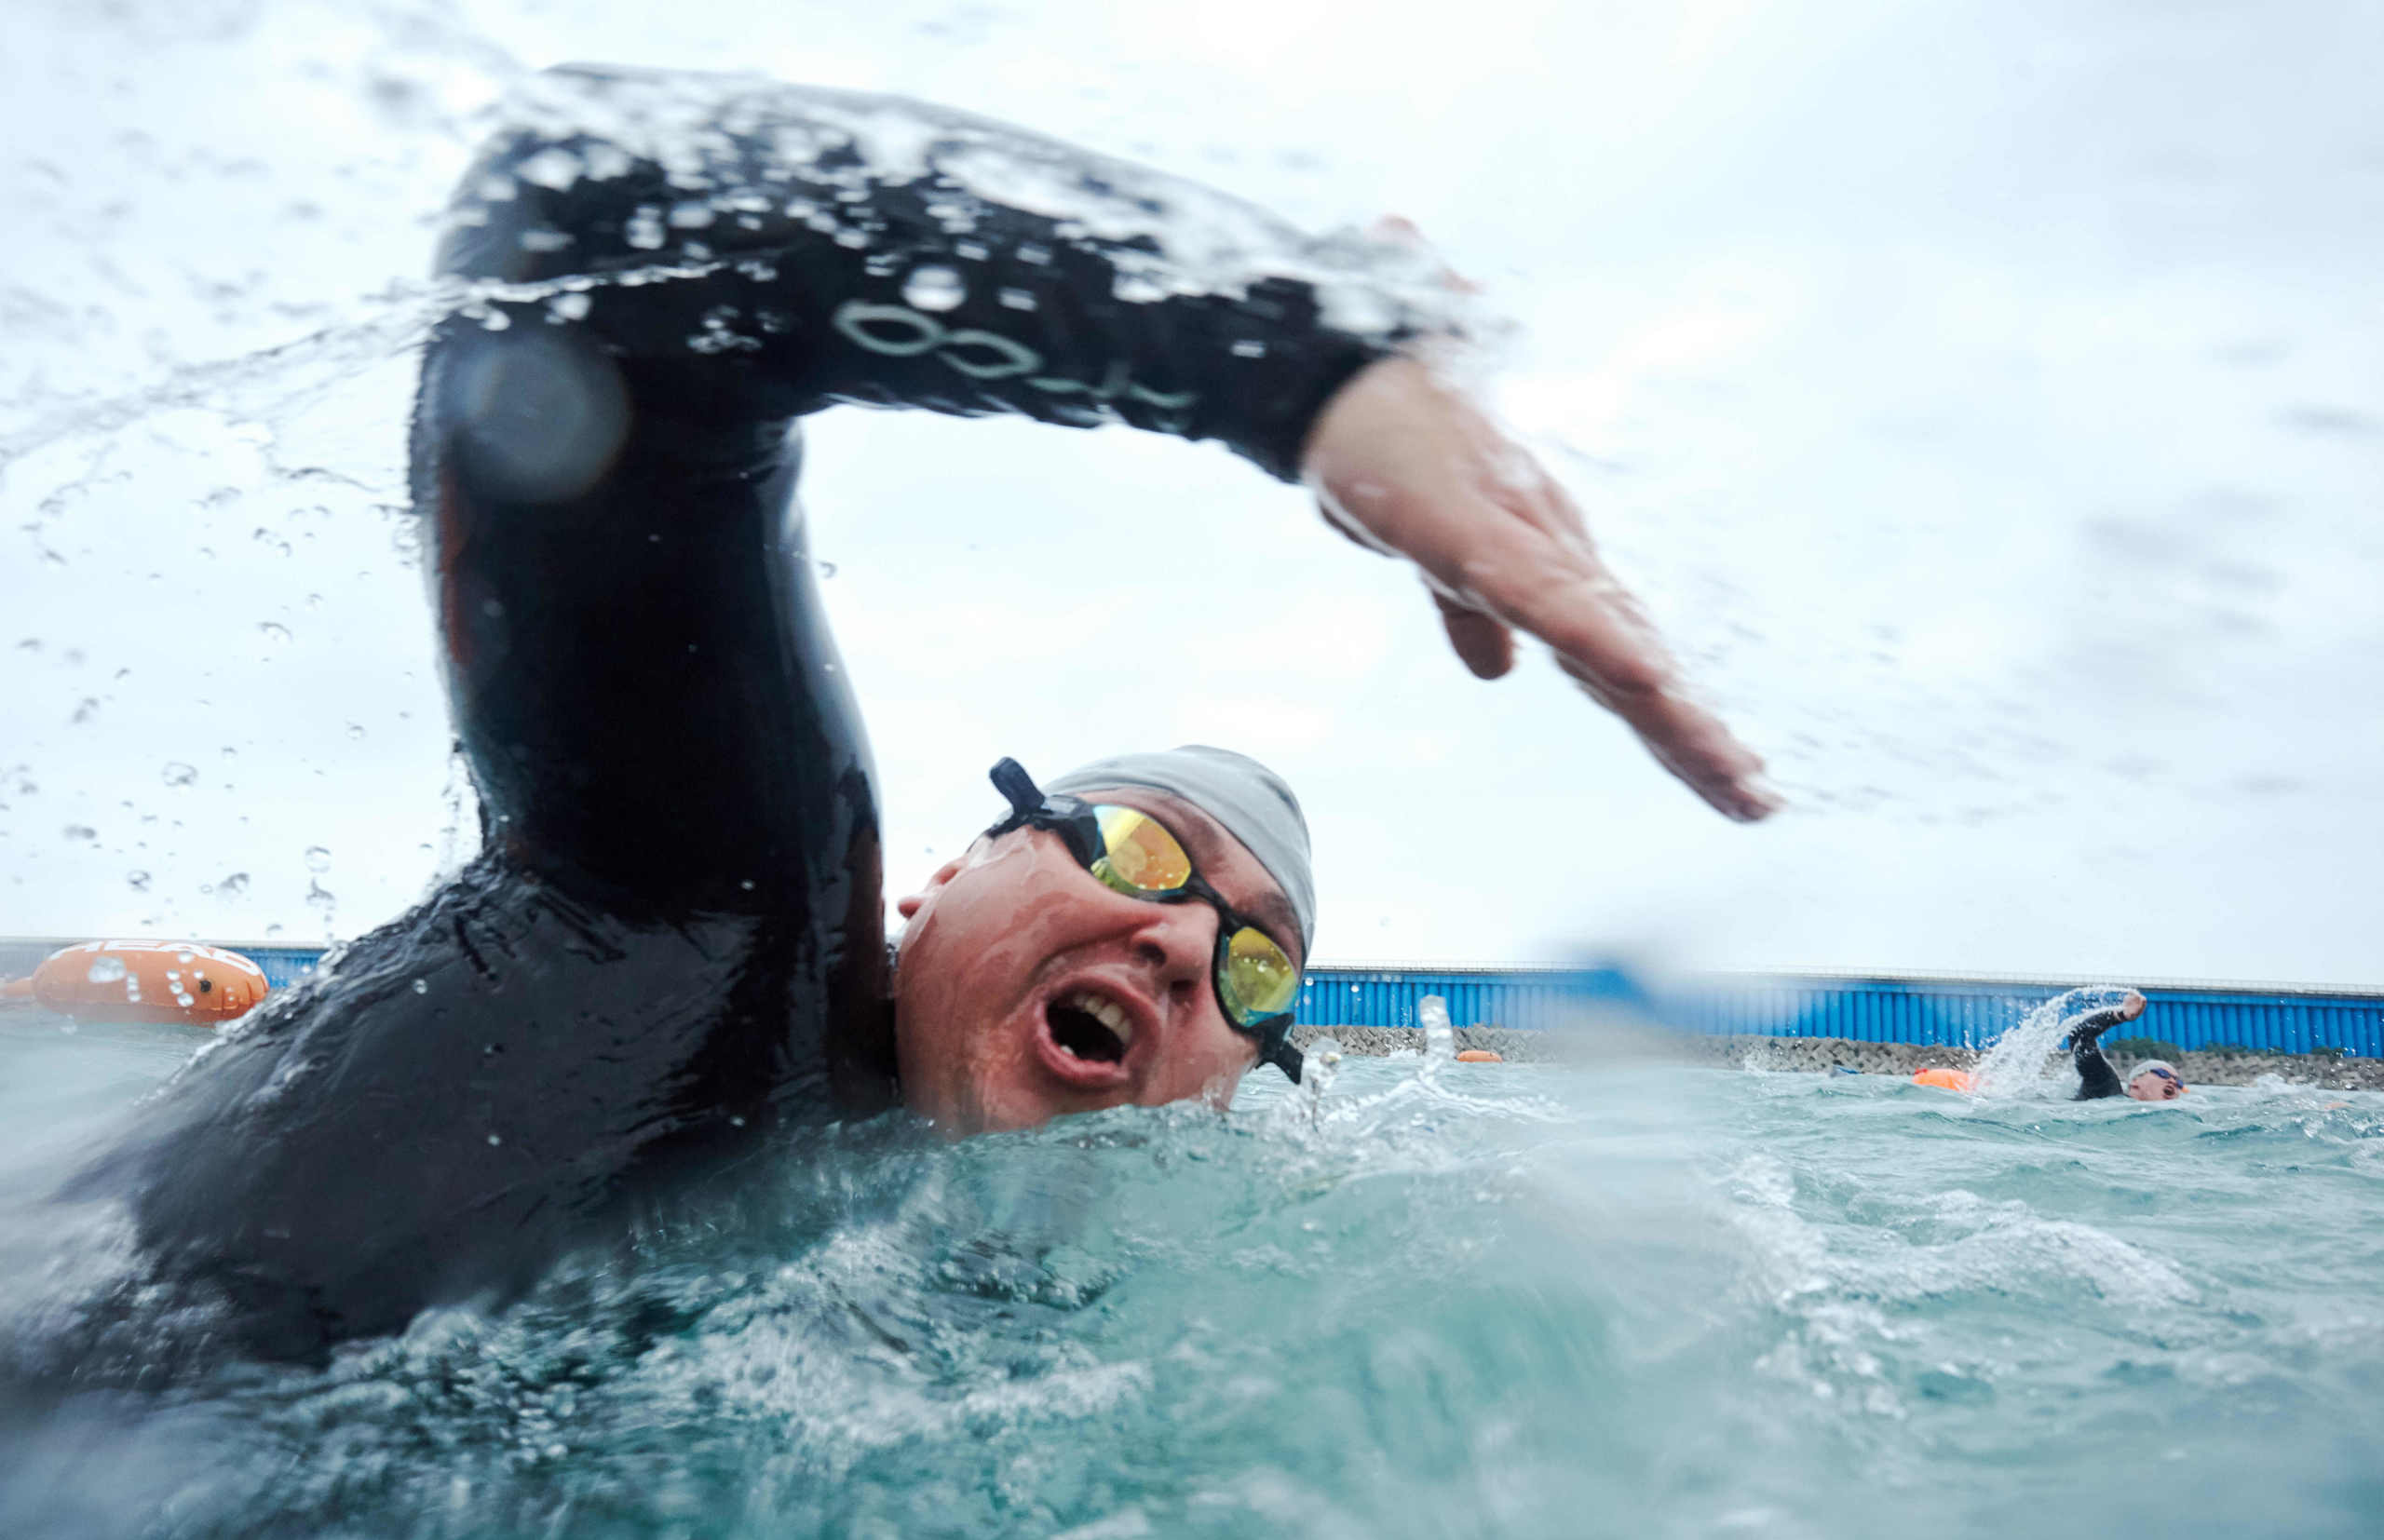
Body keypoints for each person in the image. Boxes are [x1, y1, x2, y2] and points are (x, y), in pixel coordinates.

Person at [65, 67, 1772, 1360]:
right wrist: (1292, 357)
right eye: (1133, 843)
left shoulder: (990, 1322)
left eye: (1255, 969)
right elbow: (594, 224)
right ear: (940, 877)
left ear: (1232, 1090)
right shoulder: (695, 918)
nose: (1180, 945)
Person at [2067, 992, 2181, 1100]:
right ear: (2136, 1081)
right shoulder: (2107, 1088)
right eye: (2163, 1074)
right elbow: (2079, 1037)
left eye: (2179, 1082)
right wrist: (2120, 1015)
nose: (2173, 1082)